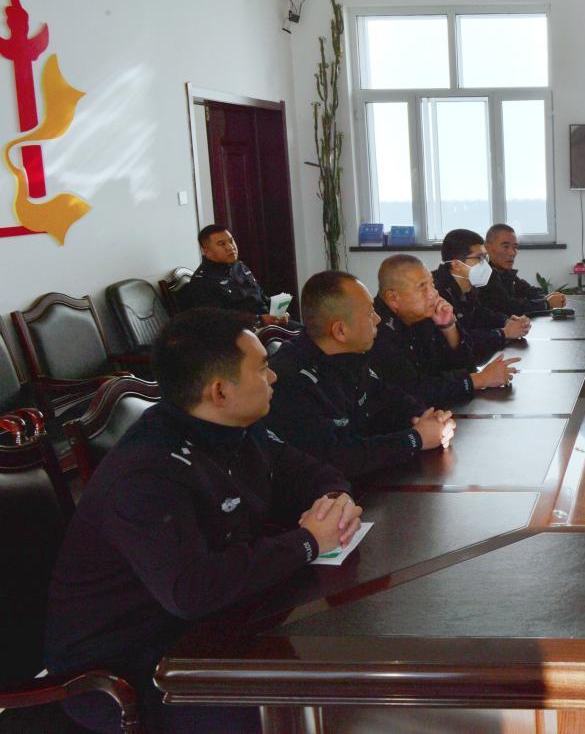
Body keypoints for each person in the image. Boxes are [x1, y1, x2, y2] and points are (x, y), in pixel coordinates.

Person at [45, 309, 360, 734]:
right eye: (262, 368)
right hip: (127, 671)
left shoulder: (236, 427)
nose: (273, 377)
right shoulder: (145, 474)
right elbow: (192, 590)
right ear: (219, 391)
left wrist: (335, 500)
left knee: (334, 661)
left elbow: (311, 472)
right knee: (315, 704)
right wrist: (307, 541)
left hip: (209, 629)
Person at [266, 270, 456, 479]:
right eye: (369, 313)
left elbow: (391, 398)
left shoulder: (349, 356)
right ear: (340, 331)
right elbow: (337, 457)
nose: (378, 319)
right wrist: (416, 438)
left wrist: (427, 418)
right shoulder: (292, 383)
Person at [368, 253, 520, 407]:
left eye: (432, 285)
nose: (433, 293)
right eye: (422, 287)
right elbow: (413, 392)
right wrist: (479, 380)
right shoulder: (375, 330)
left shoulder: (423, 315)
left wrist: (448, 327)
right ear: (393, 298)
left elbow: (465, 367)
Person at [433, 228, 532, 364]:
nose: (484, 264)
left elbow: (480, 315)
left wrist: (506, 321)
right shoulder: (438, 292)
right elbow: (461, 337)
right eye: (479, 258)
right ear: (456, 265)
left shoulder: (469, 286)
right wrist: (503, 333)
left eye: (485, 257)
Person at [181, 224, 290, 326]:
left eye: (231, 241)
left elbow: (260, 297)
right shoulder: (202, 281)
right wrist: (258, 319)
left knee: (299, 330)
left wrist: (279, 313)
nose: (230, 247)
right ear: (206, 251)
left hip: (268, 324)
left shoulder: (239, 266)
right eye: (221, 244)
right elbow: (217, 319)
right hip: (244, 331)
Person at [480, 223, 567, 315]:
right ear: (487, 248)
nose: (512, 252)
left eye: (515, 247)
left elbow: (530, 291)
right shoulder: (483, 276)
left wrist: (546, 298)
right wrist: (546, 303)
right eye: (505, 246)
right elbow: (508, 307)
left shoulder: (506, 273)